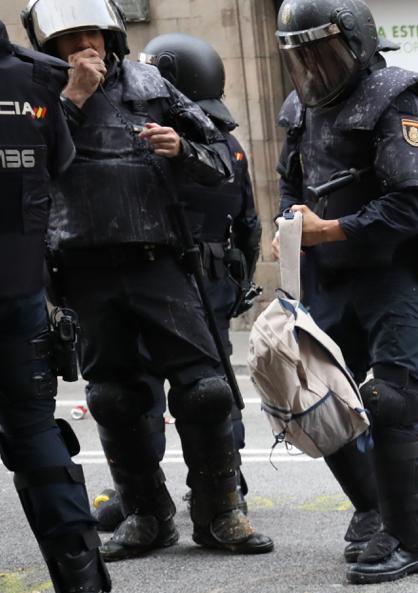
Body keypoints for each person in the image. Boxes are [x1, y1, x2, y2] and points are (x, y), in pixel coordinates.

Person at [24, 0, 271, 561]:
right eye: (68, 38)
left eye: (91, 32)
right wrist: (72, 101)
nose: (82, 45)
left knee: (206, 390)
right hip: (83, 265)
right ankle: (144, 514)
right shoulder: (35, 94)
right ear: (48, 47)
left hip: (157, 258)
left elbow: (221, 160)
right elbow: (25, 164)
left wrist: (183, 149)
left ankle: (220, 511)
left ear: (111, 33)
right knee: (113, 396)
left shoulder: (152, 84)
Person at [275, 0, 418, 582]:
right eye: (303, 55)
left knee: (389, 400)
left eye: (324, 51)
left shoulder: (395, 98)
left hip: (394, 274)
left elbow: (414, 203)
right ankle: (374, 510)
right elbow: (289, 180)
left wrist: (334, 229)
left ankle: (412, 538)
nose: (315, 66)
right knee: (321, 397)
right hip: (328, 276)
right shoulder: (300, 106)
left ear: (356, 43)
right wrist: (288, 228)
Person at [90, 31, 259, 532]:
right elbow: (248, 222)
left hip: (167, 276)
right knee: (213, 386)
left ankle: (145, 498)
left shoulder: (156, 138)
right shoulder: (224, 139)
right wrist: (238, 280)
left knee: (148, 387)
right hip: (215, 280)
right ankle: (230, 489)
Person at [0, 16, 110, 593]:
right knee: (36, 434)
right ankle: (86, 589)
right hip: (19, 286)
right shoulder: (39, 82)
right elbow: (58, 167)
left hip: (20, 289)